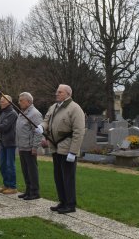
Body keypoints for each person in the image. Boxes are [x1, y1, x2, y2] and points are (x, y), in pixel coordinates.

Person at [36, 84, 85, 214]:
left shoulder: (75, 108)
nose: (56, 94)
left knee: (68, 177)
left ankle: (70, 204)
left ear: (68, 94)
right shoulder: (54, 107)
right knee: (58, 176)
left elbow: (78, 132)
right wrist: (42, 126)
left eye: (60, 92)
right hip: (55, 146)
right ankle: (62, 201)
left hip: (67, 148)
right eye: (57, 92)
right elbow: (47, 120)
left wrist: (73, 152)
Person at [16, 92, 43, 200]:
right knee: (25, 170)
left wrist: (35, 147)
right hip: (22, 146)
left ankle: (35, 192)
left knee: (32, 170)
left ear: (28, 101)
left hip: (29, 147)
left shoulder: (35, 114)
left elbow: (38, 132)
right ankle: (28, 190)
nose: (19, 102)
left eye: (21, 101)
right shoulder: (22, 112)